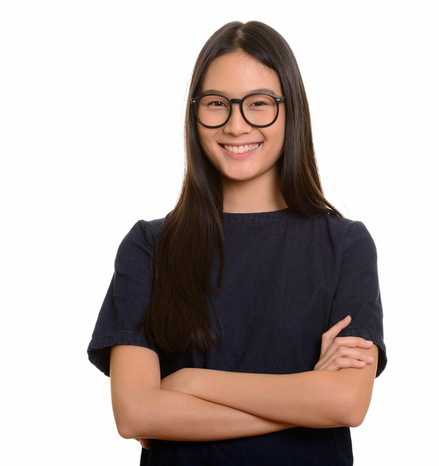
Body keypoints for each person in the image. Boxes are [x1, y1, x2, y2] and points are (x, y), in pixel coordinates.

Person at [87, 20, 386, 465]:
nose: (235, 124)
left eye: (259, 103)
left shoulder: (344, 245)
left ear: (291, 110)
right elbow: (135, 414)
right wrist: (306, 399)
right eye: (216, 104)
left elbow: (346, 404)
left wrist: (190, 382)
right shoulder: (150, 246)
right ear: (195, 113)